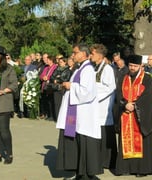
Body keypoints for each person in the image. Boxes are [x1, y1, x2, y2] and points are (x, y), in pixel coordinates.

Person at [56, 44, 103, 180]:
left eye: (75, 52)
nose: (73, 55)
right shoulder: (80, 69)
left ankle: (87, 174)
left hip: (84, 115)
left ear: (83, 54)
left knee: (85, 143)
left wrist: (71, 86)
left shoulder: (87, 70)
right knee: (78, 143)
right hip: (77, 113)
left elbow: (87, 92)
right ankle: (80, 172)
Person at [114, 54, 152, 177]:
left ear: (140, 65)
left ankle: (142, 169)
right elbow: (118, 94)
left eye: (135, 66)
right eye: (130, 65)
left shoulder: (147, 78)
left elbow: (148, 96)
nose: (132, 68)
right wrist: (125, 104)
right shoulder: (123, 78)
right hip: (125, 114)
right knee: (125, 141)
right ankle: (125, 167)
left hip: (140, 115)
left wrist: (135, 105)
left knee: (141, 141)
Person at [90, 44, 117, 169]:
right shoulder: (95, 68)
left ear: (100, 55)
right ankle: (98, 159)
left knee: (106, 134)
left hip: (103, 106)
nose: (91, 56)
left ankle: (108, 161)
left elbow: (110, 87)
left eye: (93, 53)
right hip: (95, 105)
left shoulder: (107, 69)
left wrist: (95, 94)